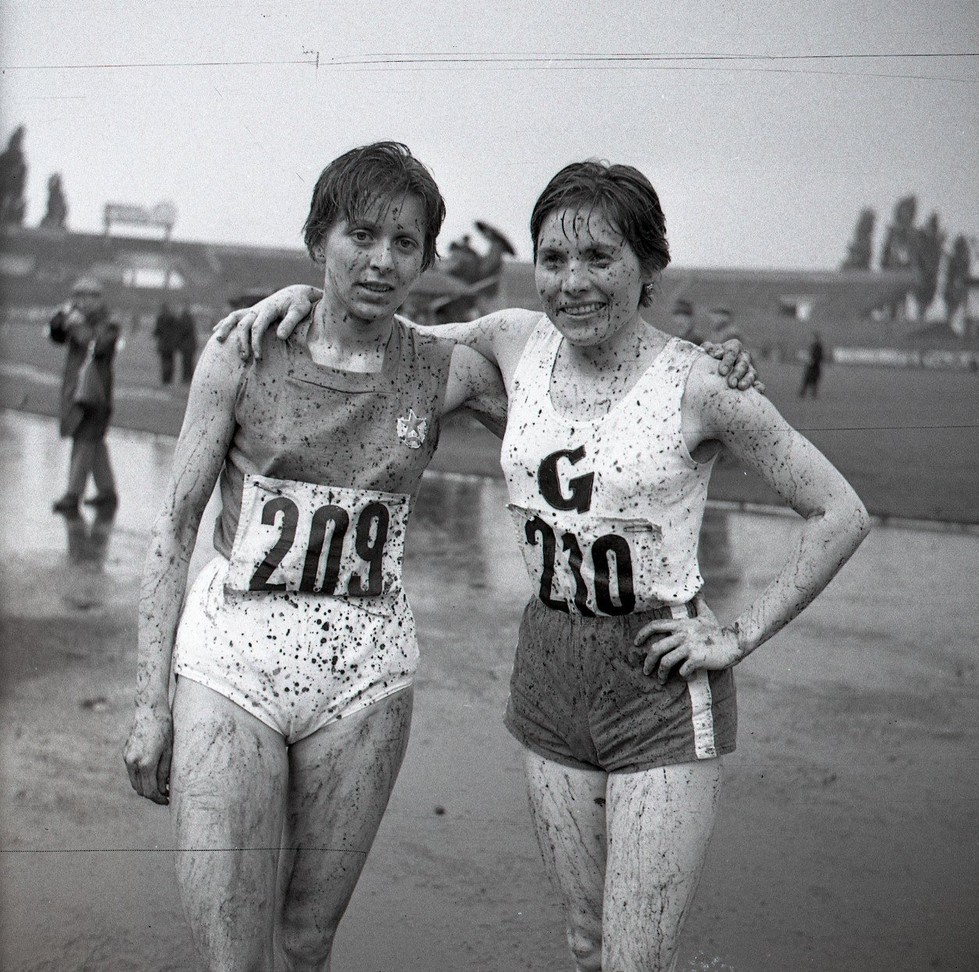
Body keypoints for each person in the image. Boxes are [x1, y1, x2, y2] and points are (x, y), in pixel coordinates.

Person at [215, 161, 861, 972]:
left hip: (657, 686)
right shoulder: (515, 340)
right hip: (549, 670)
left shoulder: (701, 384)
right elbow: (370, 335)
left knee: (634, 961)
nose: (573, 282)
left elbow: (839, 511)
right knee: (587, 946)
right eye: (554, 259)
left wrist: (735, 636)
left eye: (600, 258)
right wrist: (300, 299)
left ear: (649, 266)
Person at [122, 142, 514, 972]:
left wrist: (714, 372)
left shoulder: (447, 370)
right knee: (233, 956)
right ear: (318, 237)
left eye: (404, 245)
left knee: (305, 945)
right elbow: (174, 525)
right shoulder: (243, 350)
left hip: (366, 678)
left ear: (425, 260)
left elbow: (577, 399)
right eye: (360, 236)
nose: (381, 260)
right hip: (234, 663)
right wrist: (150, 704)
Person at [48, 276, 120, 515]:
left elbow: (97, 345)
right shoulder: (80, 319)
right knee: (94, 442)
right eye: (77, 296)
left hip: (94, 394)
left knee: (84, 441)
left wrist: (76, 324)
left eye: (86, 296)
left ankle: (72, 495)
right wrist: (61, 320)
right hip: (78, 391)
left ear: (98, 299)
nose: (80, 301)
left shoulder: (109, 323)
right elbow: (56, 336)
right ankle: (107, 493)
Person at [799, 331, 825, 398]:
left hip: (815, 366)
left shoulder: (819, 346)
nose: (812, 339)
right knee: (807, 379)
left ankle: (810, 394)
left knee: (813, 380)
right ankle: (804, 393)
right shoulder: (813, 346)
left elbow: (820, 356)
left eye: (813, 338)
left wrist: (814, 361)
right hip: (811, 365)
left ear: (816, 338)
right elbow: (810, 354)